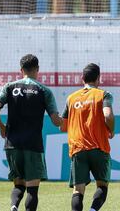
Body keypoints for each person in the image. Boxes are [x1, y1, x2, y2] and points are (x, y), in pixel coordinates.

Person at [0, 54, 62, 211]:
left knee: (18, 183)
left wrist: (2, 126)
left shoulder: (10, 86)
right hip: (33, 144)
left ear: (21, 70)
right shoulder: (44, 90)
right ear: (37, 69)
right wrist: (66, 121)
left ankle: (14, 205)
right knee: (32, 188)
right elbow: (56, 121)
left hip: (12, 144)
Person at [60, 63, 114, 211]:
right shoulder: (103, 94)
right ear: (98, 79)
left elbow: (62, 126)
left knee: (78, 190)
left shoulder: (71, 98)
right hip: (99, 147)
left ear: (82, 78)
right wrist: (111, 129)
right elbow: (108, 115)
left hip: (78, 148)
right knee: (102, 185)